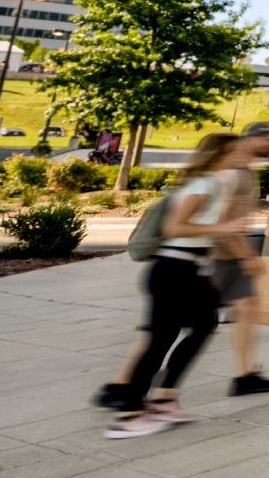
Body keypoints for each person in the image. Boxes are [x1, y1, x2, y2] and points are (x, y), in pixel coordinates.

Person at [105, 133, 244, 438]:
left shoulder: (218, 183)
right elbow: (174, 228)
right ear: (220, 154)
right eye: (236, 152)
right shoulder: (203, 184)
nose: (241, 157)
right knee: (160, 338)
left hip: (193, 269)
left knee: (205, 325)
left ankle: (165, 398)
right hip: (173, 269)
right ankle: (127, 414)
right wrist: (223, 226)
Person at [213, 122, 269, 394]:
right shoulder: (235, 171)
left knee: (247, 310)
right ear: (253, 139)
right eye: (268, 139)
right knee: (187, 323)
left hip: (228, 252)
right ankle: (131, 381)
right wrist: (247, 255)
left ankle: (244, 375)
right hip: (219, 254)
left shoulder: (244, 170)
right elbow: (222, 219)